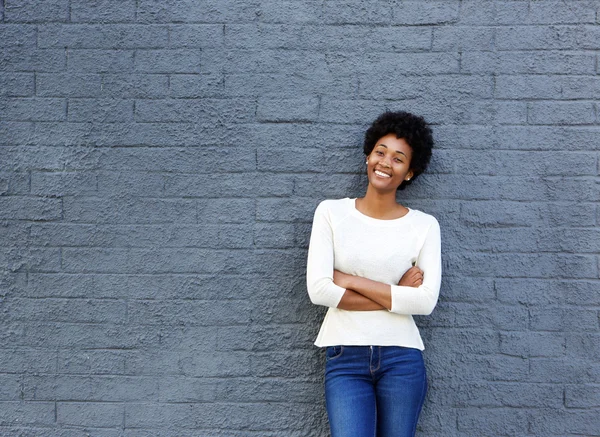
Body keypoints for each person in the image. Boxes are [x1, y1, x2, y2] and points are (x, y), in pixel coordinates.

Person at [306, 111, 441, 437]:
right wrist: (396, 293)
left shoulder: (424, 226)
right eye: (380, 152)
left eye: (398, 158)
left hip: (402, 359)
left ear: (410, 172)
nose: (385, 162)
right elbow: (320, 291)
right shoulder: (331, 213)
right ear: (368, 155)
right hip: (345, 357)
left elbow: (423, 302)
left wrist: (351, 280)